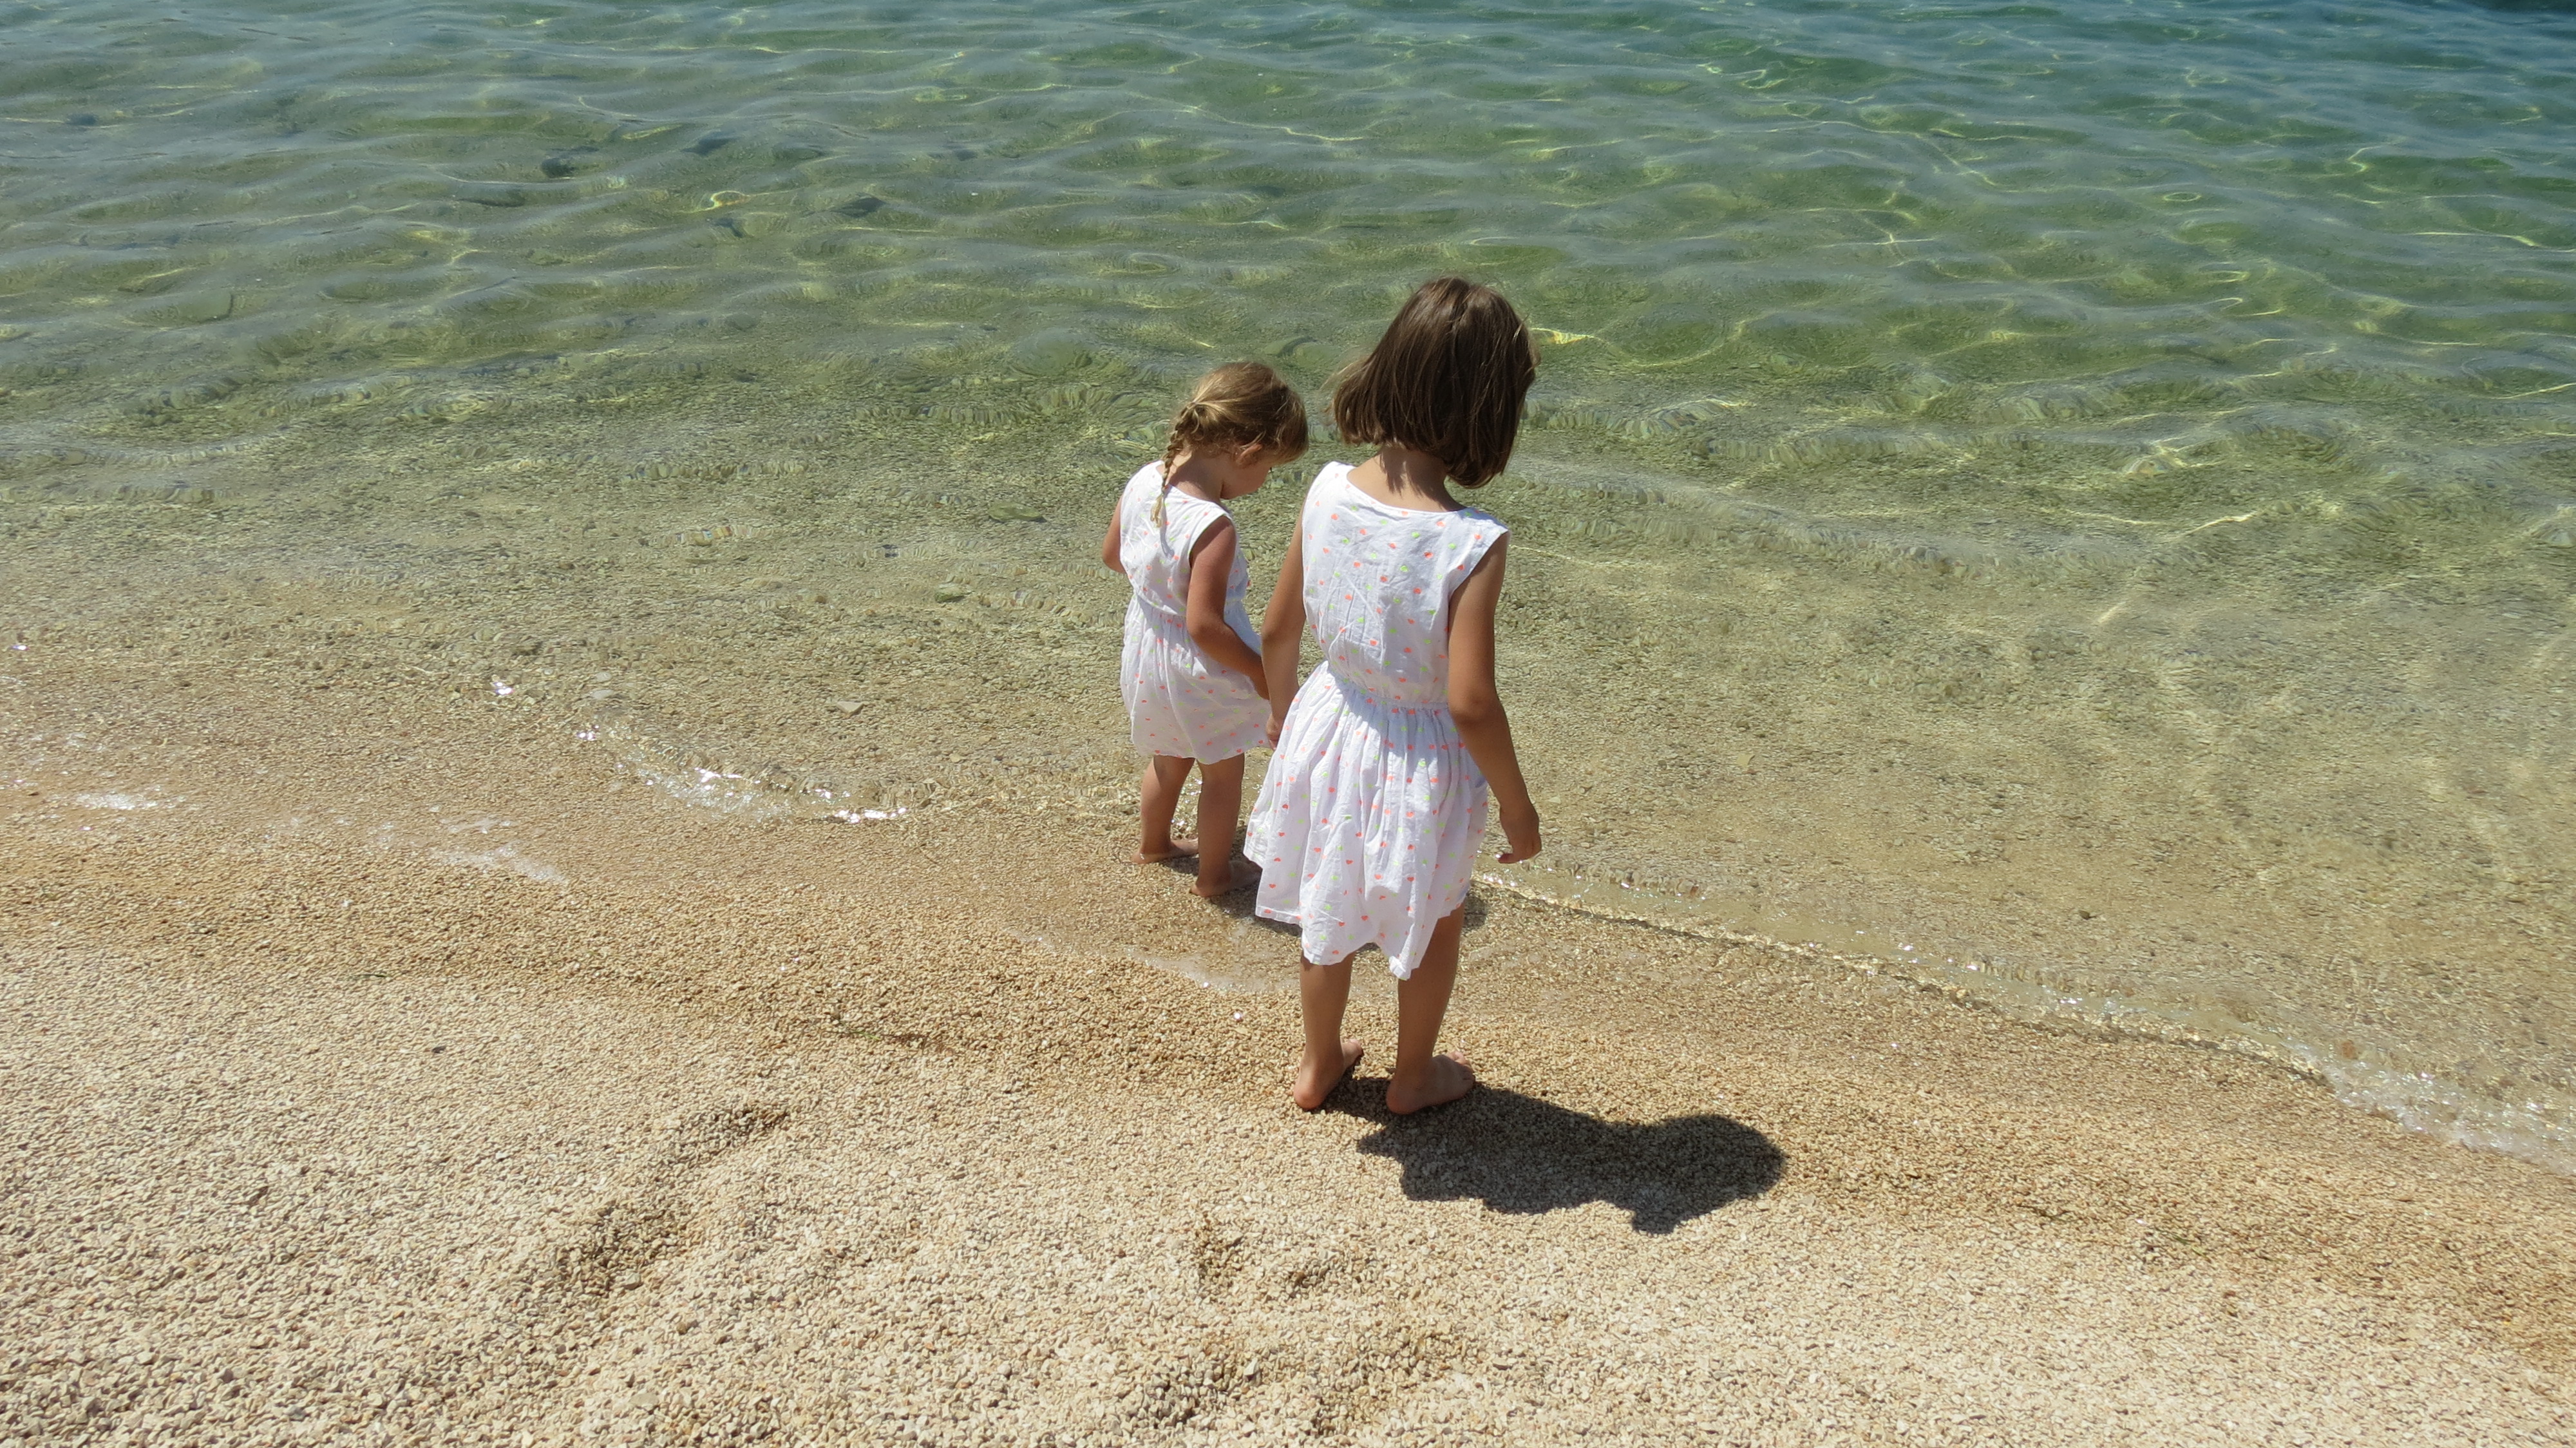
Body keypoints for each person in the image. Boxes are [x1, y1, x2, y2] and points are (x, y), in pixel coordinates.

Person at [1248, 278, 1544, 1114]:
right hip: (1420, 757)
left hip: (1332, 720)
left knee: (1327, 905)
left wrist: (1282, 715)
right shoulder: (1469, 542)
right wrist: (1518, 808)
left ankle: (1317, 1064)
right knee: (1435, 916)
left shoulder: (1325, 489)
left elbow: (1278, 628)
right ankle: (1412, 1077)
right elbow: (1471, 702)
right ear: (1492, 409)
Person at [1101, 361, 1309, 899]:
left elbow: (1113, 556)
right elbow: (1205, 626)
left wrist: (1159, 589)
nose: (1264, 482)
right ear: (1247, 452)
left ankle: (1154, 845)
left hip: (1148, 654)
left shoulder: (1147, 478)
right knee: (1221, 774)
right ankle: (1215, 876)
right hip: (1202, 672)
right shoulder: (1213, 525)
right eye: (1270, 469)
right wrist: (1262, 674)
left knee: (1168, 760)